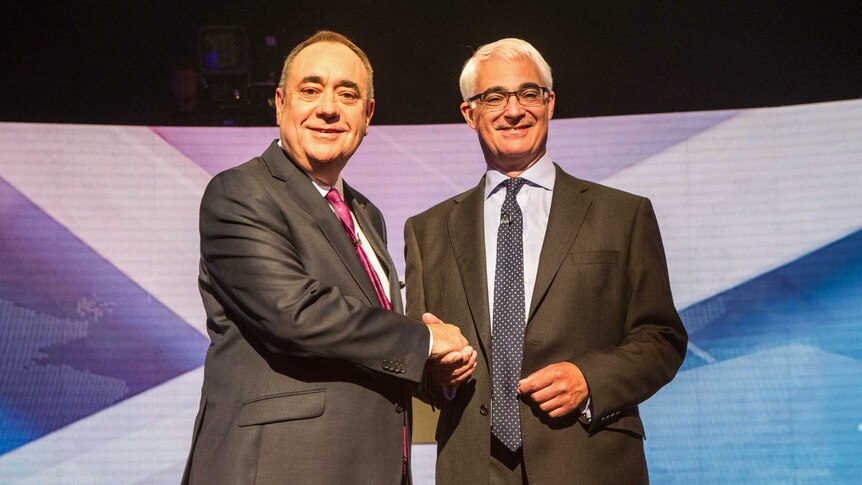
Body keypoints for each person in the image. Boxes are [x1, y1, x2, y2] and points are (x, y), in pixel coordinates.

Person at [182, 30, 475, 485]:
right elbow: (294, 313)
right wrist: (423, 341)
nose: (328, 108)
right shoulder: (240, 192)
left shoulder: (367, 215)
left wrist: (435, 370)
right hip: (280, 468)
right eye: (311, 90)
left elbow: (364, 347)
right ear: (280, 103)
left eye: (348, 94)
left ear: (367, 114)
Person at [404, 38, 688, 484]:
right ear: (469, 113)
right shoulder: (427, 231)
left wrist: (589, 379)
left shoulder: (623, 215)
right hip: (471, 468)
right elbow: (418, 356)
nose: (513, 110)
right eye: (493, 97)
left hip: (589, 462)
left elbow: (662, 338)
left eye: (528, 94)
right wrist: (436, 373)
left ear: (550, 103)